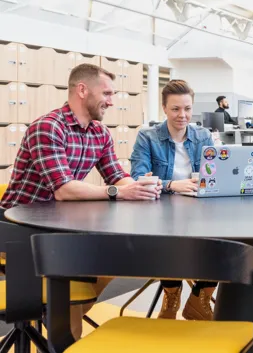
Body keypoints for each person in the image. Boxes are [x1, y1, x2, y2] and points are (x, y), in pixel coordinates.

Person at [0, 63, 161, 339]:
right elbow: (63, 189)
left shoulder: (99, 133)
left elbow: (116, 176)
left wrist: (141, 186)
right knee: (86, 261)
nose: (112, 101)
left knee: (112, 259)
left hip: (59, 225)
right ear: (82, 90)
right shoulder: (48, 128)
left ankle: (63, 322)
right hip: (17, 229)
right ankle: (65, 335)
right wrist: (117, 192)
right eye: (107, 93)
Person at [131, 79, 217, 321]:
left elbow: (214, 173)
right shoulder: (147, 137)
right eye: (176, 109)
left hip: (199, 206)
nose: (183, 115)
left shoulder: (203, 135)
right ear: (164, 109)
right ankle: (172, 296)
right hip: (162, 208)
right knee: (168, 237)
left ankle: (200, 298)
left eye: (188, 109)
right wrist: (171, 185)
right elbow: (139, 177)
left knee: (225, 236)